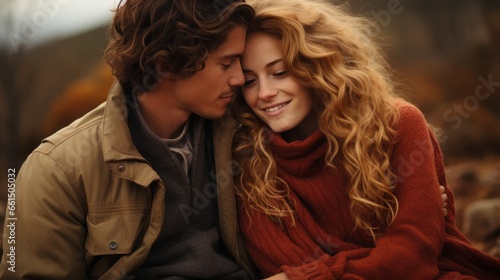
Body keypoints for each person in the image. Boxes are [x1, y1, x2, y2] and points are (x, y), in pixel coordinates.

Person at [230, 0, 500, 279]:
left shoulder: (397, 124)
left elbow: (413, 257)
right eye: (249, 81)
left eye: (279, 73)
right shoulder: (249, 163)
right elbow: (280, 262)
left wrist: (307, 275)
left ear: (320, 65)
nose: (264, 93)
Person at [0, 0, 257, 279]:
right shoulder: (56, 170)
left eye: (240, 62)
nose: (239, 78)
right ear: (166, 63)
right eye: (226, 63)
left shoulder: (245, 131)